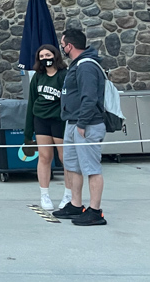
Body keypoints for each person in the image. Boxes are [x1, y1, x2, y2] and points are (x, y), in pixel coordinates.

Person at [52, 28, 108, 226]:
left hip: (86, 124)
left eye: (62, 44)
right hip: (73, 122)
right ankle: (76, 205)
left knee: (91, 168)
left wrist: (82, 123)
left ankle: (95, 211)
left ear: (70, 46)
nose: (61, 48)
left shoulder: (86, 66)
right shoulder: (77, 65)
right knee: (72, 166)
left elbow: (89, 97)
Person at [23, 44, 71, 210]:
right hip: (41, 119)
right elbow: (31, 102)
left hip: (59, 120)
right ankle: (44, 195)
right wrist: (28, 132)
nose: (45, 59)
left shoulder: (64, 75)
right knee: (44, 157)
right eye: (42, 56)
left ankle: (68, 195)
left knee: (65, 158)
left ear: (55, 55)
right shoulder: (38, 76)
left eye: (48, 55)